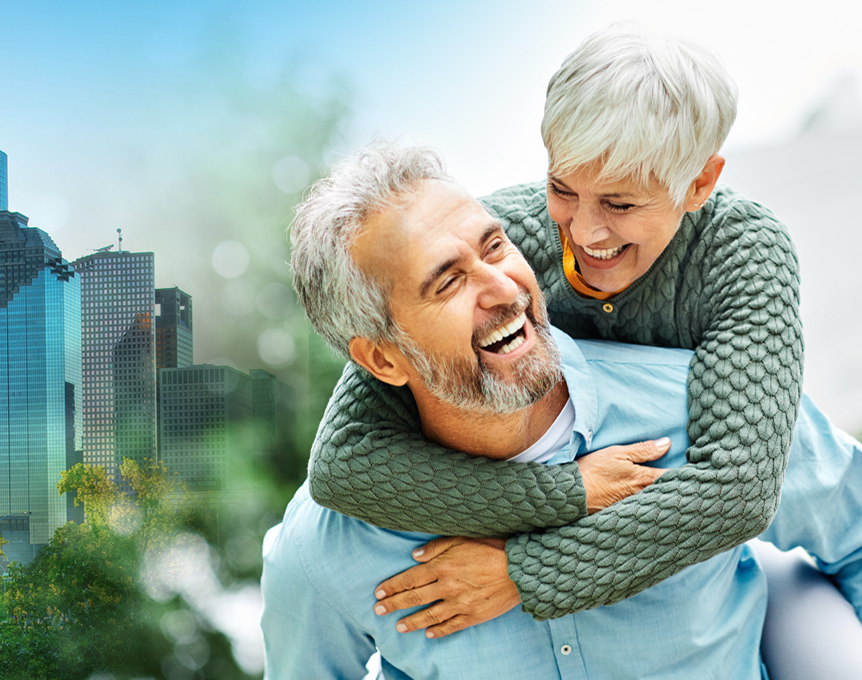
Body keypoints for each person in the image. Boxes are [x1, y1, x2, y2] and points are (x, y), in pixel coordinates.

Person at [262, 142, 862, 679]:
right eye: (447, 283)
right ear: (383, 360)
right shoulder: (326, 549)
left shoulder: (706, 412)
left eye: (495, 246)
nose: (502, 288)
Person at [304, 23, 802, 627]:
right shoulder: (500, 240)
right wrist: (566, 493)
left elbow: (737, 492)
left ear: (699, 182)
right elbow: (344, 462)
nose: (585, 233)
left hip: (751, 564)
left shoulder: (742, 252)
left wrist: (523, 570)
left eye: (620, 204)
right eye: (563, 188)